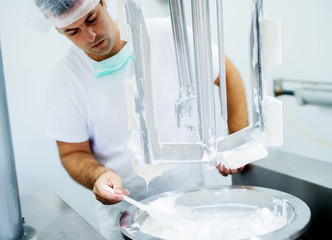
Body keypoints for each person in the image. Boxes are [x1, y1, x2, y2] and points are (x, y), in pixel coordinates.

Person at [35, 0, 248, 239]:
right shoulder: (64, 79)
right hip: (124, 218)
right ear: (57, 30)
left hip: (193, 205)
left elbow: (226, 73)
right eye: (72, 31)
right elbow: (72, 153)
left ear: (104, 3)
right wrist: (98, 175)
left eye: (91, 18)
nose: (90, 35)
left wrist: (236, 141)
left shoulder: (168, 35)